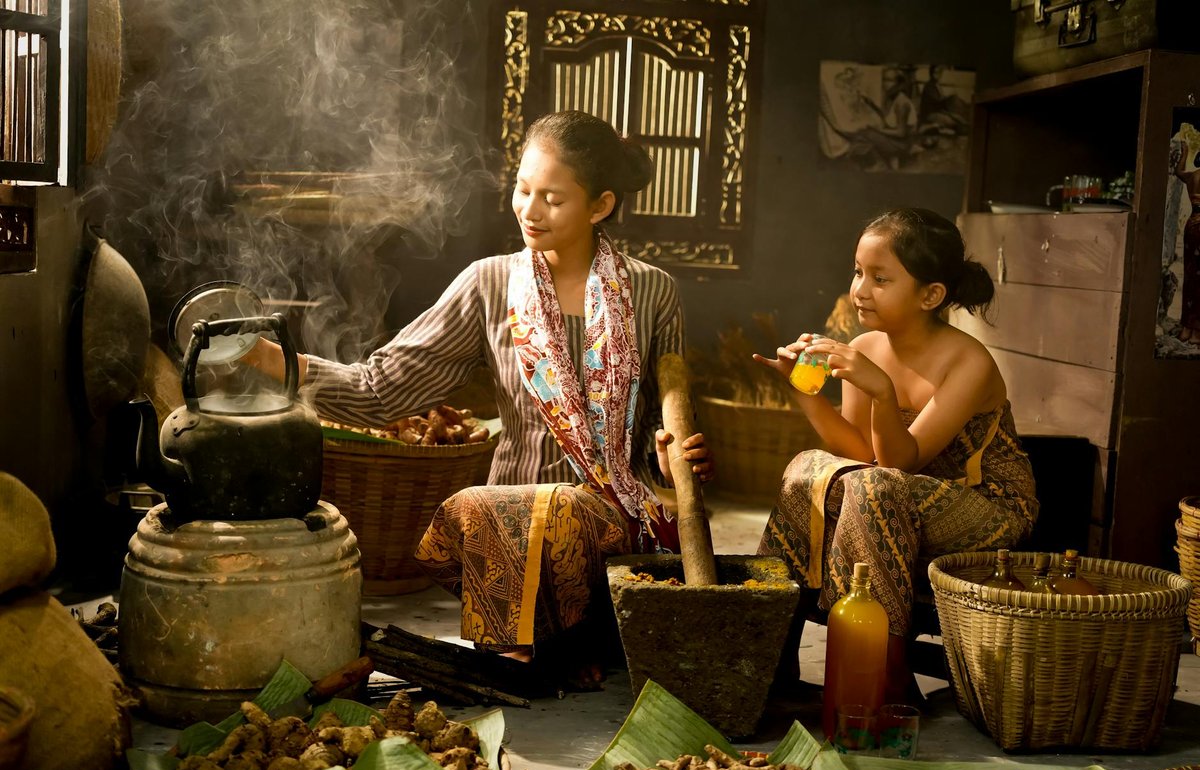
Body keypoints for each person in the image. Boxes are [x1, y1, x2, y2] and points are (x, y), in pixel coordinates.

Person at [243, 109, 713, 689]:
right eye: (522, 189)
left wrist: (676, 457)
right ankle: (526, 649)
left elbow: (669, 423)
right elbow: (383, 388)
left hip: (616, 519)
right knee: (483, 507)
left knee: (560, 510)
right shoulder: (489, 283)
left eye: (552, 198)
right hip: (511, 521)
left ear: (601, 206)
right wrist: (277, 364)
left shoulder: (653, 291)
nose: (530, 211)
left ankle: (558, 644)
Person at [752, 208, 1038, 702]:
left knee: (873, 486)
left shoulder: (967, 362)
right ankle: (770, 661)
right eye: (858, 272)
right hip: (892, 501)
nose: (860, 289)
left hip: (986, 508)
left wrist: (883, 393)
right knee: (807, 469)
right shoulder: (866, 345)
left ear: (931, 295)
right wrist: (803, 390)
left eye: (880, 278)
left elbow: (900, 463)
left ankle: (884, 677)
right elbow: (861, 451)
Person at [1172, 137, 1200, 344]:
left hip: (1191, 226)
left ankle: (1186, 329)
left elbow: (1178, 171)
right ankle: (1197, 332)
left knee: (1191, 277)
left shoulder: (1192, 176)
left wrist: (1185, 152)